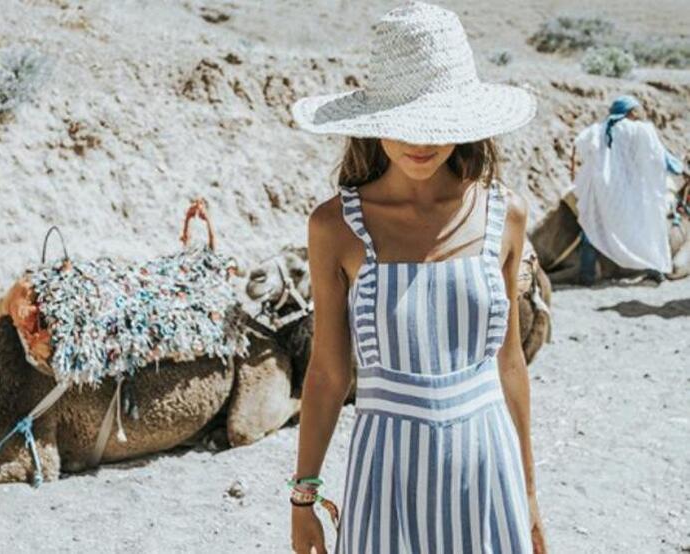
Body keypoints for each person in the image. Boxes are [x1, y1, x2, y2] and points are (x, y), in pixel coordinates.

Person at [286, 3, 547, 553]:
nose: (421, 141)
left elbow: (509, 363)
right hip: (387, 473)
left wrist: (528, 493)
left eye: (438, 121)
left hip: (488, 468)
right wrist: (303, 498)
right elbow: (329, 373)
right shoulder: (335, 227)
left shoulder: (505, 214)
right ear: (375, 119)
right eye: (405, 121)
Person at [569, 94, 684, 284]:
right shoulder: (642, 130)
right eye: (637, 110)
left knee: (593, 228)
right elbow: (660, 157)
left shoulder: (598, 130)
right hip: (633, 192)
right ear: (631, 111)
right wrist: (679, 168)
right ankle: (655, 270)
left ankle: (586, 275)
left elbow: (579, 145)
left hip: (604, 191)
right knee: (648, 227)